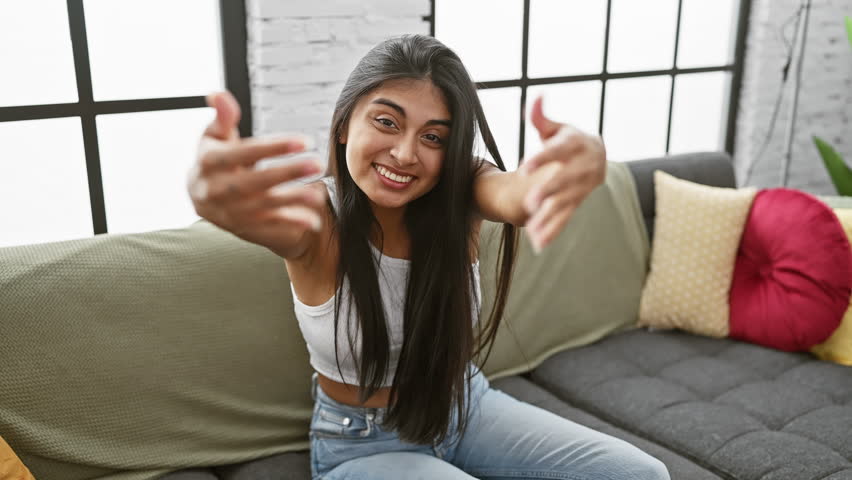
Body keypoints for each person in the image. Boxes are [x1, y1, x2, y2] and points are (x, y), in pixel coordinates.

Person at [187, 34, 669, 480]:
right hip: (362, 443)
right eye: (386, 122)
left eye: (433, 137)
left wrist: (584, 155)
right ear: (345, 124)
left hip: (464, 407)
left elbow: (521, 197)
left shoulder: (461, 191)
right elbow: (249, 214)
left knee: (641, 475)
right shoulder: (317, 220)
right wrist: (207, 192)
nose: (404, 154)